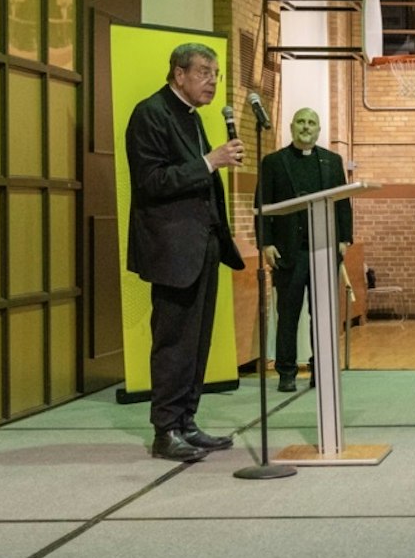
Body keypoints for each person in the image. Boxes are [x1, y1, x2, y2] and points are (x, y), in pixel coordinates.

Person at [124, 43, 245, 462]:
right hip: (171, 249)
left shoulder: (190, 117)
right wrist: (209, 162)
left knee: (196, 343)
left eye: (216, 74)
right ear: (179, 74)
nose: (212, 81)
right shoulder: (151, 114)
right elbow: (151, 182)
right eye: (205, 72)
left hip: (201, 245)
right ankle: (165, 430)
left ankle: (187, 422)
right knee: (173, 342)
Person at [255, 107, 352, 393]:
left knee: (322, 315)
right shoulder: (273, 162)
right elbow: (261, 204)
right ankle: (286, 372)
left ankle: (320, 369)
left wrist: (344, 238)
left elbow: (343, 203)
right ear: (291, 126)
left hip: (324, 249)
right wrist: (266, 242)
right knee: (288, 314)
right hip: (289, 252)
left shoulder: (332, 162)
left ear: (319, 129)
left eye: (311, 122)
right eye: (301, 122)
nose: (306, 127)